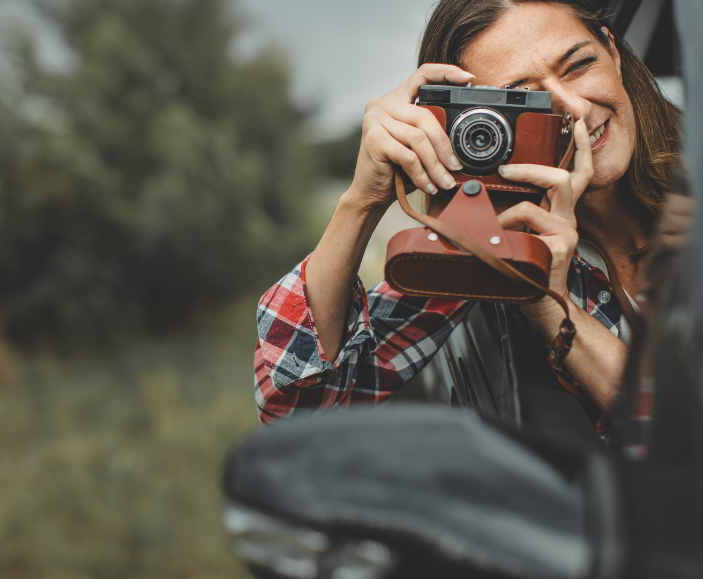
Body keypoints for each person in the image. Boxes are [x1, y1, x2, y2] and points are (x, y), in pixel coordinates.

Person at [254, 0, 681, 434]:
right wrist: (362, 202)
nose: (575, 108)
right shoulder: (498, 238)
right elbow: (296, 411)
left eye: (577, 65)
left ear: (611, 49)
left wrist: (555, 312)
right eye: (525, 100)